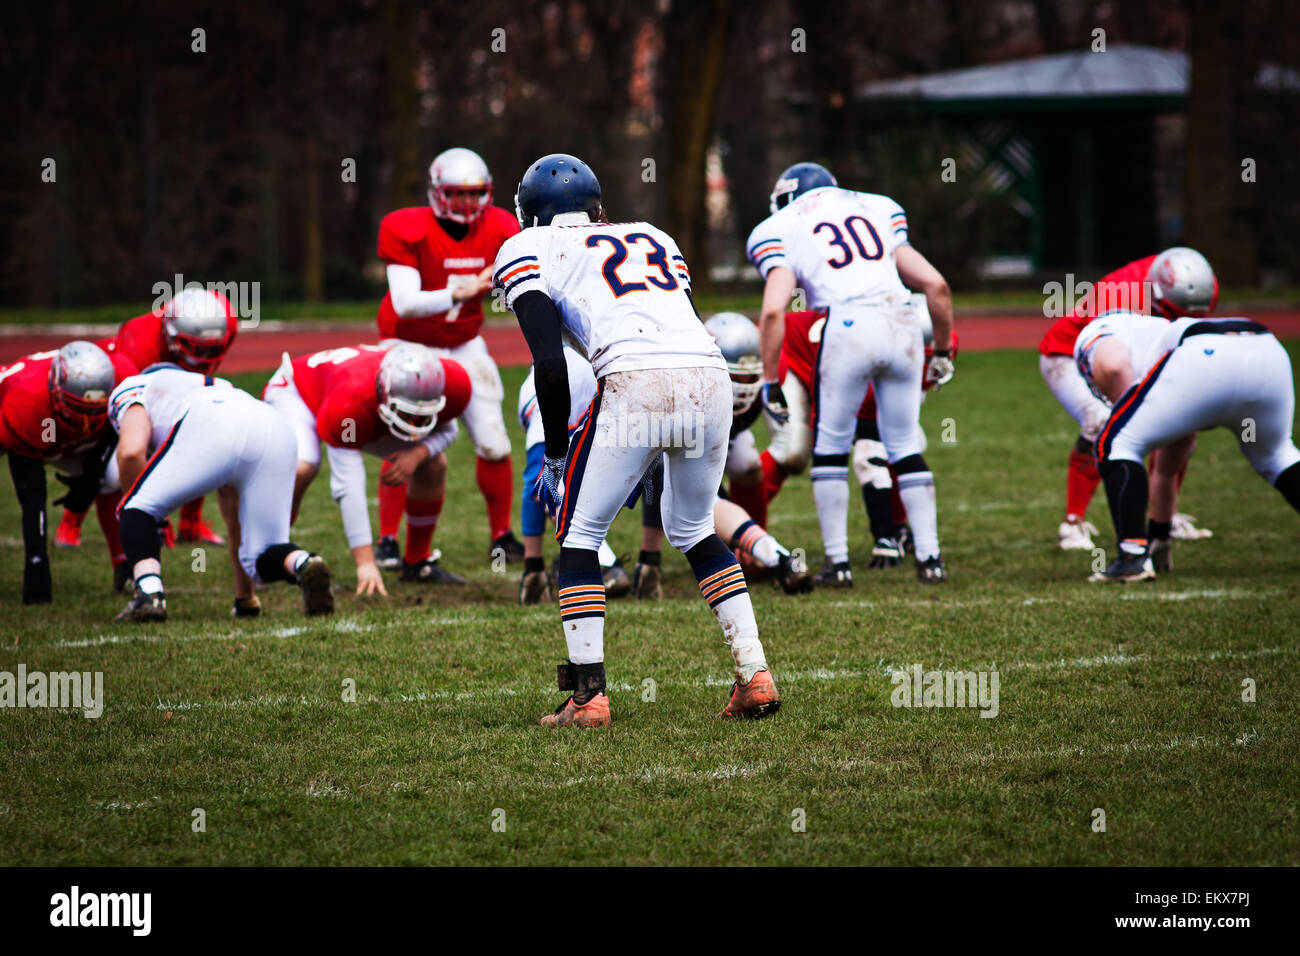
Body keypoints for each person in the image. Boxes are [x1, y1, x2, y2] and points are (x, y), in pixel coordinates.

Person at [497, 152, 780, 727]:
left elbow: (549, 364)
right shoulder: (655, 235)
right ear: (596, 208)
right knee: (696, 529)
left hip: (633, 380)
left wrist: (553, 454)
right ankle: (755, 675)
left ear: (529, 213)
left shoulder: (527, 247)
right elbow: (688, 329)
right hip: (710, 374)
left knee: (579, 538)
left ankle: (587, 699)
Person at [748, 162, 954, 586]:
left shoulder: (781, 226)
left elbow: (772, 310)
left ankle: (838, 565)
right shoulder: (878, 207)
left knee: (831, 449)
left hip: (846, 325)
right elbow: (936, 286)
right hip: (903, 321)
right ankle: (931, 558)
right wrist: (945, 349)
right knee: (903, 443)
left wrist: (770, 379)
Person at [374, 147, 524, 568]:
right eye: (457, 193)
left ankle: (502, 535)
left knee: (494, 440)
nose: (468, 203)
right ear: (438, 192)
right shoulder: (406, 227)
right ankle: (388, 540)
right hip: (408, 343)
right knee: (404, 437)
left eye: (476, 193)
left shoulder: (501, 226)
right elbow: (404, 303)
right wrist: (462, 291)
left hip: (464, 341)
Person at [1074, 313, 1300, 582]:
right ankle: (1147, 545)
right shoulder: (1157, 333)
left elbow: (1112, 366)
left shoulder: (1097, 334)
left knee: (1114, 444)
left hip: (1206, 356)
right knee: (1277, 456)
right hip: (1266, 349)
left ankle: (1132, 557)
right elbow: (1174, 452)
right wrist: (1160, 532)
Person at [110, 364, 332, 622]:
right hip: (274, 427)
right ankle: (303, 563)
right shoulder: (218, 385)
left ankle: (148, 596)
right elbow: (233, 510)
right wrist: (244, 597)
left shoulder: (137, 387)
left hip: (211, 422)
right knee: (263, 552)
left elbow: (130, 452)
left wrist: (146, 525)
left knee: (135, 508)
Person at [1038, 247, 1218, 550]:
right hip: (1071, 355)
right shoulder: (1121, 297)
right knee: (1104, 423)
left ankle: (1164, 517)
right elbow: (1108, 361)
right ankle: (1072, 523)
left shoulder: (1196, 284)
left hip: (1129, 354)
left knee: (1179, 419)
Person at [262, 342, 469, 595]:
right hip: (298, 392)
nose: (414, 424)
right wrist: (365, 563)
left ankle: (417, 562)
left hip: (354, 399)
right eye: (407, 415)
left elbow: (449, 430)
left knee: (433, 463)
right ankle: (266, 553)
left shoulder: (452, 383)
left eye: (421, 416)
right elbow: (347, 484)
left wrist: (416, 454)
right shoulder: (351, 404)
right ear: (385, 393)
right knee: (303, 467)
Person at [1, 341, 131, 603]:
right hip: (34, 427)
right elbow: (32, 494)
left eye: (95, 410)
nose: (87, 421)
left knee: (118, 472)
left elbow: (118, 431)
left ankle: (125, 565)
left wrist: (92, 477)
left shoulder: (126, 376)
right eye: (79, 409)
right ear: (56, 392)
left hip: (64, 436)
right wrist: (36, 563)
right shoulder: (25, 400)